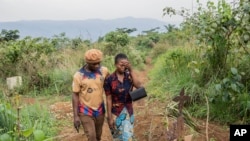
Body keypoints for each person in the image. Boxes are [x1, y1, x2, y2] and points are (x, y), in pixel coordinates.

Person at [72, 49, 109, 141]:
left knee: (98, 136)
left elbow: (110, 86)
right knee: (92, 137)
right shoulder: (78, 76)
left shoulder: (104, 71)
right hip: (85, 110)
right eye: (93, 64)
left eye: (98, 63)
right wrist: (76, 116)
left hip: (100, 109)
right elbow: (75, 95)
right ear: (87, 62)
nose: (97, 66)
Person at [104, 53, 142, 141]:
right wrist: (109, 118)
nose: (123, 67)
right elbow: (108, 99)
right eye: (121, 65)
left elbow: (139, 86)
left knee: (128, 137)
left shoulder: (129, 76)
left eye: (126, 65)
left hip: (128, 111)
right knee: (118, 138)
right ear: (116, 64)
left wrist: (131, 70)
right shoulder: (109, 79)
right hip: (115, 113)